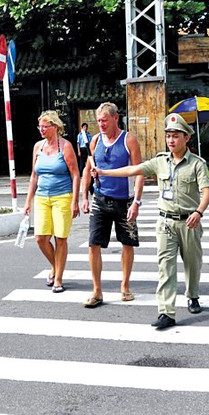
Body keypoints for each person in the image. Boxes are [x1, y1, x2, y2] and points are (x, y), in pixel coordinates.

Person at [91, 113, 209, 329]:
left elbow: (206, 192)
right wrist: (104, 171)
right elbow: (132, 169)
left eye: (176, 136)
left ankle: (192, 295)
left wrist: (199, 212)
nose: (171, 140)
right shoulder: (160, 162)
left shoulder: (197, 164)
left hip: (189, 222)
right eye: (168, 136)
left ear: (186, 138)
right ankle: (166, 311)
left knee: (192, 264)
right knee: (165, 266)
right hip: (165, 223)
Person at [80, 102, 143, 307]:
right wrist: (84, 197)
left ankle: (125, 285)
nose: (101, 124)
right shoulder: (95, 141)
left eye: (105, 120)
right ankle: (97, 290)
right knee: (93, 243)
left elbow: (139, 172)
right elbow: (89, 170)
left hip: (124, 200)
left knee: (127, 243)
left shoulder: (129, 140)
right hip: (100, 197)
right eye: (98, 121)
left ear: (116, 118)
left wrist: (136, 202)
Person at [23, 110, 80, 293]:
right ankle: (55, 265)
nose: (41, 129)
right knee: (40, 238)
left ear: (55, 127)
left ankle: (59, 278)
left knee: (60, 238)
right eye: (39, 126)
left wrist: (75, 200)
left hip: (62, 196)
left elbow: (75, 174)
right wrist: (28, 201)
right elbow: (34, 176)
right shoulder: (37, 147)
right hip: (42, 197)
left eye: (45, 126)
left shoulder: (66, 146)